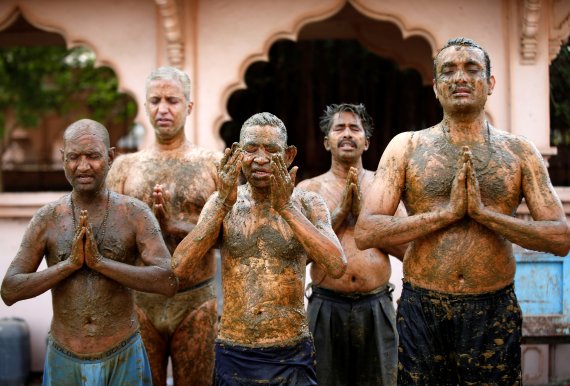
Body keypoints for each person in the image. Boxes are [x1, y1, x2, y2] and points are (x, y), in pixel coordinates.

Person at [354, 37, 570, 385]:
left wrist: (485, 215)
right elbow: (367, 232)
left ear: (490, 83)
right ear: (437, 87)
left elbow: (560, 238)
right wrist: (446, 214)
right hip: (423, 307)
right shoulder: (406, 147)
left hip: (493, 306)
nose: (460, 78)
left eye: (472, 69)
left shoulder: (519, 151)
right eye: (448, 71)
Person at [172, 112, 347, 385]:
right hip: (234, 348)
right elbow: (179, 268)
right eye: (251, 149)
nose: (261, 159)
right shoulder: (221, 203)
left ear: (289, 156)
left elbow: (337, 265)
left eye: (272, 150)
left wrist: (287, 208)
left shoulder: (308, 203)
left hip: (292, 349)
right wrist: (221, 204)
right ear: (238, 154)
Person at [1, 119, 178, 386]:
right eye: (74, 157)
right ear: (63, 159)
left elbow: (168, 281)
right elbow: (10, 290)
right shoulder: (47, 218)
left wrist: (100, 263)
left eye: (93, 156)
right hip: (64, 356)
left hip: (123, 352)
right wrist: (69, 265)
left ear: (110, 156)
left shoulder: (135, 214)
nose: (83, 166)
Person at [107, 66, 221, 386]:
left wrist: (176, 225)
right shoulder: (125, 167)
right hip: (141, 300)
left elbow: (231, 235)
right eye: (155, 100)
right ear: (145, 106)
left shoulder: (212, 164)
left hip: (196, 298)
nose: (163, 109)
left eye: (172, 100)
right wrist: (145, 231)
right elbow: (111, 237)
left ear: (189, 106)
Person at [297, 103, 406, 386]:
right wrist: (338, 215)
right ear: (327, 141)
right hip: (325, 306)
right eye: (339, 128)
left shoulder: (385, 188)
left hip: (376, 305)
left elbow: (409, 250)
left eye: (354, 128)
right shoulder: (309, 190)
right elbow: (297, 256)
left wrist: (364, 224)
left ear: (366, 141)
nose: (347, 134)